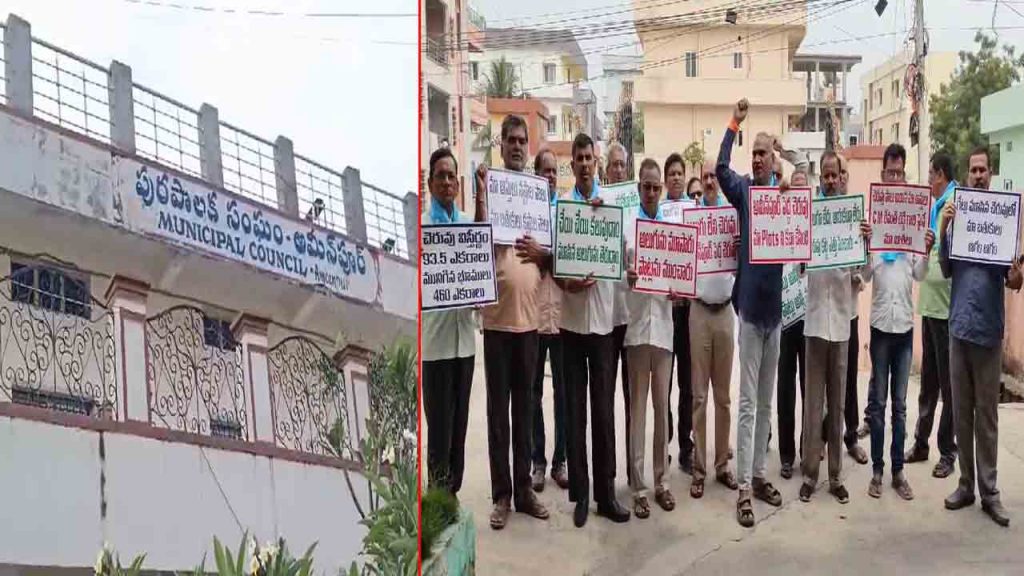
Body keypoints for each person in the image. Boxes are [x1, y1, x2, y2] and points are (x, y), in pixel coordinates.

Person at [474, 115, 550, 529]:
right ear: (501, 145)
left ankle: (524, 491)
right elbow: (476, 246)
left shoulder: (537, 196)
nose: (518, 146)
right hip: (496, 324)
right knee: (498, 415)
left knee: (524, 410)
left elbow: (552, 258)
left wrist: (543, 253)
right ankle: (501, 495)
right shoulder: (492, 190)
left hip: (529, 324)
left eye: (523, 140)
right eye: (512, 140)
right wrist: (481, 198)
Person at [940, 146, 1022, 527]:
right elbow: (945, 268)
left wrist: (1018, 275)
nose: (977, 175)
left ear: (990, 174)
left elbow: (1013, 279)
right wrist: (945, 228)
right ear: (967, 174)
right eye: (972, 170)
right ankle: (966, 485)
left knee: (986, 417)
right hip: (959, 329)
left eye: (982, 170)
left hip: (988, 333)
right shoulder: (958, 219)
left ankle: (990, 493)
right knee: (962, 414)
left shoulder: (1002, 222)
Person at [716, 98, 785, 527]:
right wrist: (734, 123)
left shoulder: (783, 195)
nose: (758, 158)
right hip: (749, 314)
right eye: (754, 152)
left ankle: (759, 475)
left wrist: (788, 175)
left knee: (764, 403)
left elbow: (804, 192)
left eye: (764, 153)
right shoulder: (743, 191)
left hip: (776, 315)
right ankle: (743, 486)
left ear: (773, 159)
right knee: (746, 403)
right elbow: (720, 167)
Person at [559, 133, 631, 527]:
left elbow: (624, 258)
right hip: (571, 325)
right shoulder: (563, 208)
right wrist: (567, 283)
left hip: (603, 325)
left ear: (596, 163)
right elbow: (555, 265)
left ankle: (606, 494)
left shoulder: (613, 206)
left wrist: (608, 225)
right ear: (572, 165)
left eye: (590, 158)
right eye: (579, 159)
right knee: (575, 413)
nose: (585, 164)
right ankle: (581, 495)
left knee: (603, 413)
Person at [859, 143, 934, 501]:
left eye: (899, 173)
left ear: (905, 176)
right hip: (879, 327)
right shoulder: (873, 221)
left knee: (900, 407)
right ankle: (877, 470)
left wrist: (927, 250)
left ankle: (898, 472)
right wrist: (865, 245)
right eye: (889, 172)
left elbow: (919, 274)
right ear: (882, 175)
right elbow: (865, 275)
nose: (894, 177)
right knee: (878, 404)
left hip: (904, 327)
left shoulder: (913, 221)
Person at [798, 151, 856, 505]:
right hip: (816, 322)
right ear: (820, 177)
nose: (831, 180)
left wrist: (864, 243)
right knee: (813, 404)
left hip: (842, 324)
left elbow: (863, 274)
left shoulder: (853, 217)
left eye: (835, 175)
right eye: (826, 175)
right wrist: (801, 250)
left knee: (837, 405)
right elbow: (799, 267)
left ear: (841, 176)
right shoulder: (811, 215)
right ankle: (810, 474)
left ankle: (835, 476)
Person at [623, 158, 680, 518]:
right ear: (638, 188)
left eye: (656, 187)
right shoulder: (628, 228)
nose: (651, 192)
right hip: (635, 330)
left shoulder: (673, 231)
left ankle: (662, 482)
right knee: (637, 412)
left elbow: (680, 276)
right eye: (646, 186)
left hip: (662, 330)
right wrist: (626, 277)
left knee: (662, 408)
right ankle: (638, 487)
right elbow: (616, 275)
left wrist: (678, 288)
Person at [422, 147, 476, 498]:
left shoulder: (469, 225)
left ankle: (451, 496)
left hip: (465, 345)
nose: (446, 182)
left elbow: (480, 276)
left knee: (459, 429)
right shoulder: (421, 230)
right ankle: (437, 500)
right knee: (439, 431)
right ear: (430, 183)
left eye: (451, 176)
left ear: (458, 183)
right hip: (436, 346)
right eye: (440, 176)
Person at [906, 151, 959, 478]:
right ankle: (921, 443)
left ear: (941, 175)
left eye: (930, 174)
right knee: (928, 382)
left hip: (946, 310)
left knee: (948, 388)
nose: (928, 180)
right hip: (929, 306)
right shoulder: (935, 207)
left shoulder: (956, 204)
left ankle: (948, 452)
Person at [689, 161, 739, 499]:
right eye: (705, 177)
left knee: (723, 397)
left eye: (713, 177)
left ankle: (722, 465)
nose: (709, 181)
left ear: (719, 182)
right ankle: (699, 469)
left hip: (724, 313)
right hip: (699, 312)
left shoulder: (731, 215)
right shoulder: (691, 218)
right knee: (699, 397)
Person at [529, 147, 570, 492]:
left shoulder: (567, 212)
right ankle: (538, 462)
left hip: (563, 315)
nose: (551, 176)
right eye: (546, 170)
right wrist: (543, 257)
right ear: (536, 175)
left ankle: (560, 461)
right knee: (533, 394)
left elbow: (569, 257)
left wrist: (547, 257)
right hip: (532, 315)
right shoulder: (525, 213)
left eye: (555, 171)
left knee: (563, 393)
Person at [776, 169, 809, 480]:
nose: (799, 196)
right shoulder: (778, 222)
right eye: (794, 191)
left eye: (804, 191)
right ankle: (786, 455)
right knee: (785, 390)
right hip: (784, 318)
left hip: (810, 317)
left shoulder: (816, 225)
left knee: (809, 390)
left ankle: (808, 449)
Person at [605, 142, 634, 486]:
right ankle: (609, 473)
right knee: (605, 403)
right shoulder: (600, 203)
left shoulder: (635, 206)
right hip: (605, 320)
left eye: (621, 165)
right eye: (613, 165)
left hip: (631, 318)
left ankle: (633, 472)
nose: (617, 169)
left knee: (632, 402)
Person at [665, 153, 695, 474]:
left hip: (689, 311)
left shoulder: (694, 212)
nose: (675, 177)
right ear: (665, 179)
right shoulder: (658, 212)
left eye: (679, 173)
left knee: (687, 383)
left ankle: (687, 447)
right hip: (665, 310)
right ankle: (666, 443)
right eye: (671, 173)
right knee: (665, 384)